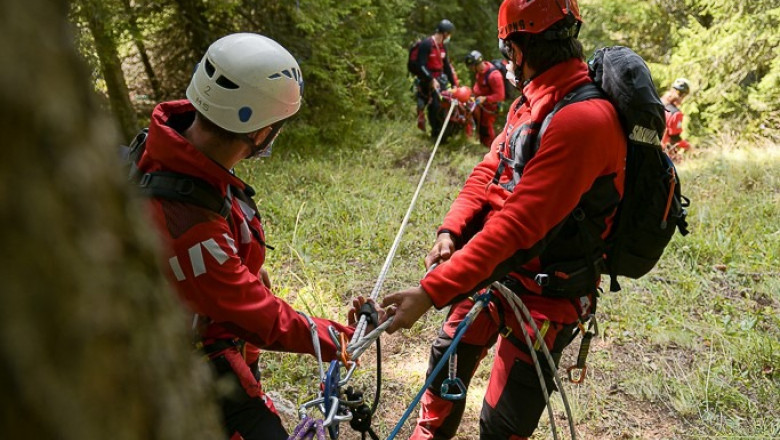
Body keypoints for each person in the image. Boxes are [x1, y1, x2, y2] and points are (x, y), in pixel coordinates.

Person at [381, 1, 627, 438]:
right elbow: (489, 170)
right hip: (493, 273)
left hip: (545, 294)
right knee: (446, 363)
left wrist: (429, 291)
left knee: (503, 423)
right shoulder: (533, 101)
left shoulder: (583, 120)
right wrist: (450, 229)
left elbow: (520, 226)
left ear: (517, 47)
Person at [135, 33, 359, 440]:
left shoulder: (175, 149)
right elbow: (254, 314)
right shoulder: (188, 220)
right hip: (187, 360)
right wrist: (334, 337)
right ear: (261, 131)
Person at [412, 19, 460, 139]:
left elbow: (447, 66)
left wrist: (453, 84)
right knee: (434, 106)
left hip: (440, 79)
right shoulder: (426, 44)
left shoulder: (442, 47)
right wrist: (430, 79)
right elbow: (421, 65)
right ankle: (435, 133)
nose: (449, 36)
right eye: (449, 34)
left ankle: (443, 134)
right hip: (427, 80)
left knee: (442, 105)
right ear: (444, 33)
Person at [464, 50, 505, 147]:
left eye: (471, 67)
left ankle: (491, 147)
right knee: (476, 122)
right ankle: (482, 144)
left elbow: (500, 96)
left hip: (490, 106)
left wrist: (485, 98)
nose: (471, 69)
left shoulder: (494, 76)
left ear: (476, 64)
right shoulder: (480, 72)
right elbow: (478, 86)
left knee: (486, 127)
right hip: (480, 104)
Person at [661, 78, 692, 162]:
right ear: (682, 96)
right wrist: (688, 146)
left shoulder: (659, 104)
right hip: (662, 151)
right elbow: (674, 138)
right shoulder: (676, 114)